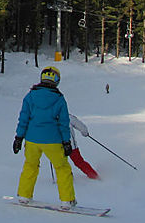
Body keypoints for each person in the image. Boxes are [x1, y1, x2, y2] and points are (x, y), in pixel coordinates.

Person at [12, 66, 88, 208]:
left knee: (30, 165)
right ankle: (67, 200)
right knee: (62, 168)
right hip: (53, 141)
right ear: (56, 80)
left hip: (32, 140)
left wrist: (18, 137)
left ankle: (24, 195)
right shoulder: (59, 99)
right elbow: (64, 123)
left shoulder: (30, 96)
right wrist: (66, 142)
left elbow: (23, 118)